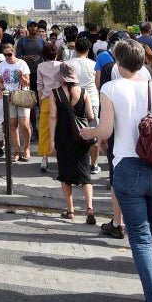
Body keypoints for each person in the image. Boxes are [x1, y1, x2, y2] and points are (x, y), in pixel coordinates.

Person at [80, 39, 152, 302]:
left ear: (118, 61)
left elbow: (107, 131)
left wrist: (89, 132)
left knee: (140, 240)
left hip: (129, 168)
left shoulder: (111, 89)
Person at [49, 62, 95, 222]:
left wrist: (51, 140)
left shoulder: (54, 93)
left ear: (61, 77)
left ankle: (70, 211)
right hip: (82, 136)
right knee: (85, 175)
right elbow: (90, 116)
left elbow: (53, 117)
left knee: (65, 175)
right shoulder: (84, 92)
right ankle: (89, 208)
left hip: (63, 137)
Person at [67, 37, 102, 174]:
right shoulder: (93, 64)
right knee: (93, 132)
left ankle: (76, 162)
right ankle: (94, 164)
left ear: (75, 49)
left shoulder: (68, 64)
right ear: (88, 50)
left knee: (73, 132)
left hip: (74, 99)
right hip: (92, 99)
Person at [0, 43, 32, 161]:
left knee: (24, 124)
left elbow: (27, 83)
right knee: (13, 125)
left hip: (22, 96)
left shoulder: (22, 64)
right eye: (5, 54)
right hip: (9, 97)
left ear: (14, 52)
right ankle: (17, 151)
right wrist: (3, 89)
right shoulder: (2, 65)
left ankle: (26, 148)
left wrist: (21, 77)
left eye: (9, 54)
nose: (7, 56)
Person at [36, 42, 62, 173]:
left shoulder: (40, 66)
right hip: (60, 99)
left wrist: (40, 100)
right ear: (56, 54)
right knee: (61, 129)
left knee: (44, 129)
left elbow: (39, 86)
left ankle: (44, 158)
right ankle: (61, 158)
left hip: (46, 98)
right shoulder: (62, 65)